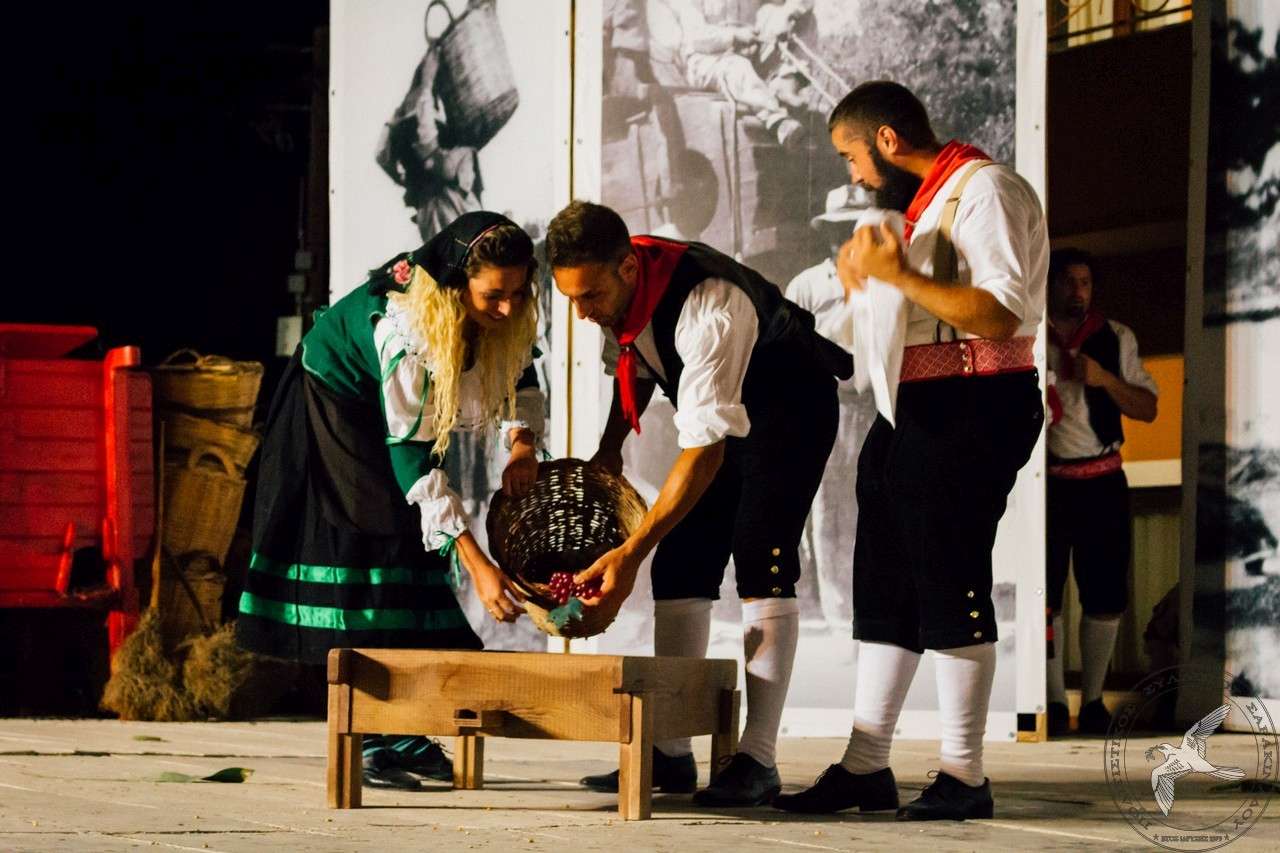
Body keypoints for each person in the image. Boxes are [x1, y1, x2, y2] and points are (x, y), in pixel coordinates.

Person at [773, 81, 1047, 821]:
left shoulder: (985, 189)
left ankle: (965, 773)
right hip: (914, 406)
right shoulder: (923, 204)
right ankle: (866, 765)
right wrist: (861, 286)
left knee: (951, 577)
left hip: (975, 400)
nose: (854, 174)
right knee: (885, 580)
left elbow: (1001, 313)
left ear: (887, 140)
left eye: (852, 156)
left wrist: (898, 277)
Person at [547, 200, 850, 807]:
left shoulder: (708, 304)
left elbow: (707, 451)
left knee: (761, 557)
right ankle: (670, 750)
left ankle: (757, 759)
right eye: (571, 299)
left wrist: (629, 554)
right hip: (726, 411)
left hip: (789, 406)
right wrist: (609, 449)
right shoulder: (616, 290)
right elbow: (636, 362)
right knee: (681, 560)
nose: (582, 313)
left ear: (627, 268)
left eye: (590, 296)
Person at [236, 212, 544, 790]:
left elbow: (520, 376)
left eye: (518, 292)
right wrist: (479, 565)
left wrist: (522, 446)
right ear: (456, 285)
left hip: (383, 415)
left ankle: (402, 729)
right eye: (493, 296)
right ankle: (371, 735)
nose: (508, 308)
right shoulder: (409, 328)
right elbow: (413, 462)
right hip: (333, 401)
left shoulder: (503, 311)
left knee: (407, 546)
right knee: (370, 540)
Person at [1044, 248, 1158, 737]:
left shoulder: (1116, 337)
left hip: (1103, 482)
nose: (1078, 291)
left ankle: (1091, 701)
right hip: (1045, 484)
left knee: (1105, 593)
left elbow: (1148, 408)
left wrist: (1105, 378)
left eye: (1085, 282)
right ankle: (1051, 701)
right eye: (1068, 281)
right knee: (1043, 595)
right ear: (1050, 285)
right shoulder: (1030, 334)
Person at [785, 184, 877, 633]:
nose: (846, 238)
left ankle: (879, 606)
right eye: (838, 229)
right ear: (826, 233)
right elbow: (788, 347)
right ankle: (841, 614)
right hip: (826, 408)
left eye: (854, 228)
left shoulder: (887, 281)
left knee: (877, 500)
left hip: (878, 405)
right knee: (829, 508)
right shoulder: (807, 285)